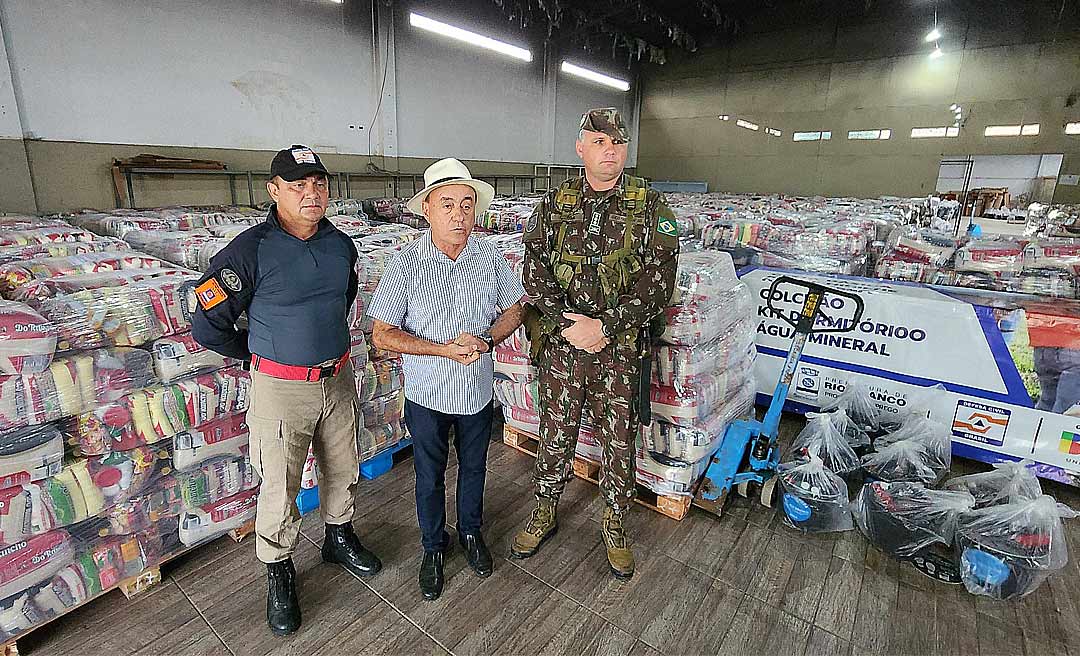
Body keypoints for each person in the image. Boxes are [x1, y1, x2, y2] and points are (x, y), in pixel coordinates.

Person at [192, 145, 381, 636]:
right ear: (274, 191)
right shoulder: (247, 251)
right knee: (280, 485)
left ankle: (338, 536)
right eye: (298, 186)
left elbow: (344, 297)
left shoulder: (341, 245)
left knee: (343, 466)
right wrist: (260, 352)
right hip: (279, 389)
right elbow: (207, 325)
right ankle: (279, 570)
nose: (311, 193)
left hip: (336, 379)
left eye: (318, 183)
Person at [510, 108, 679, 579]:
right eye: (600, 141)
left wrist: (603, 326)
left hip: (620, 350)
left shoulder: (650, 208)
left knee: (620, 441)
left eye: (618, 143)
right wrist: (568, 325)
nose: (611, 151)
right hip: (563, 348)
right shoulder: (553, 207)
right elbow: (533, 269)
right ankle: (544, 510)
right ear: (581, 147)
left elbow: (659, 280)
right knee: (556, 434)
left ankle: (615, 525)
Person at [367, 158, 526, 601]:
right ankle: (434, 547)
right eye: (447, 204)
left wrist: (488, 340)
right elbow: (382, 333)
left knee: (474, 468)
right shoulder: (405, 265)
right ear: (427, 210)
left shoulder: (489, 257)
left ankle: (471, 533)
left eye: (467, 204)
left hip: (476, 393)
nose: (459, 214)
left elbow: (516, 307)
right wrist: (441, 349)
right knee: (429, 474)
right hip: (427, 394)